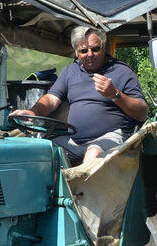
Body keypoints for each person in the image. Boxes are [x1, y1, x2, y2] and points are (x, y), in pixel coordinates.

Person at [10, 26, 148, 164]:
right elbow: (52, 99)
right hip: (73, 140)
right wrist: (33, 112)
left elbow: (142, 112)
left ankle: (83, 186)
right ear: (76, 53)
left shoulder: (122, 71)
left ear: (103, 47)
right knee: (40, 151)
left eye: (95, 49)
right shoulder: (70, 72)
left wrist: (115, 94)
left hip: (111, 137)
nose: (90, 54)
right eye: (84, 50)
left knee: (93, 153)